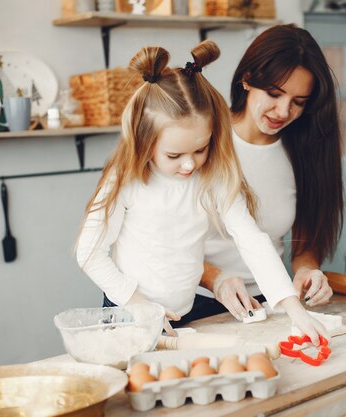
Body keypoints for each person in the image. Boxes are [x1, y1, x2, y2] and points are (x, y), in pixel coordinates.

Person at [75, 40, 327, 344]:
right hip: (129, 312)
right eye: (173, 155)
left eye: (200, 149)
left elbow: (251, 240)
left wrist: (294, 309)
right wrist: (138, 305)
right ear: (144, 141)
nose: (189, 164)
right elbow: (89, 253)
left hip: (185, 311)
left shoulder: (213, 178)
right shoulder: (125, 180)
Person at [191, 24, 344, 321]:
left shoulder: (303, 151)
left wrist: (306, 270)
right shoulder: (201, 139)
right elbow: (158, 238)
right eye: (274, 94)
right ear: (248, 79)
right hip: (190, 303)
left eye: (299, 102)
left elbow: (305, 239)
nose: (283, 111)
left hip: (265, 305)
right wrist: (214, 279)